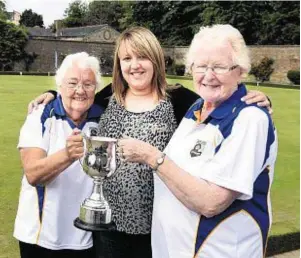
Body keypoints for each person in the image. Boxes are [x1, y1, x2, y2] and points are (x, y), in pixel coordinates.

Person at [28, 27, 272, 257]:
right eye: (126, 59)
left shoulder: (180, 100)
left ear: (155, 60)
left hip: (157, 229)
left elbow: (218, 97)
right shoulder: (108, 97)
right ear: (119, 64)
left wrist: (259, 97)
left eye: (142, 57)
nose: (134, 65)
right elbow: (77, 98)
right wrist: (51, 96)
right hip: (107, 226)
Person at [119, 24, 278, 258]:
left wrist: (151, 157)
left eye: (219, 66)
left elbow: (211, 202)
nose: (208, 75)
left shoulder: (249, 118)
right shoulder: (198, 106)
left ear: (241, 70)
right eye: (201, 66)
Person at [14, 52, 103, 258]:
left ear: (95, 89)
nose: (80, 90)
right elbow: (33, 174)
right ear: (59, 86)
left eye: (88, 84)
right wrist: (67, 155)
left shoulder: (103, 117)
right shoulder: (41, 115)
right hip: (39, 236)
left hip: (84, 239)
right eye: (72, 83)